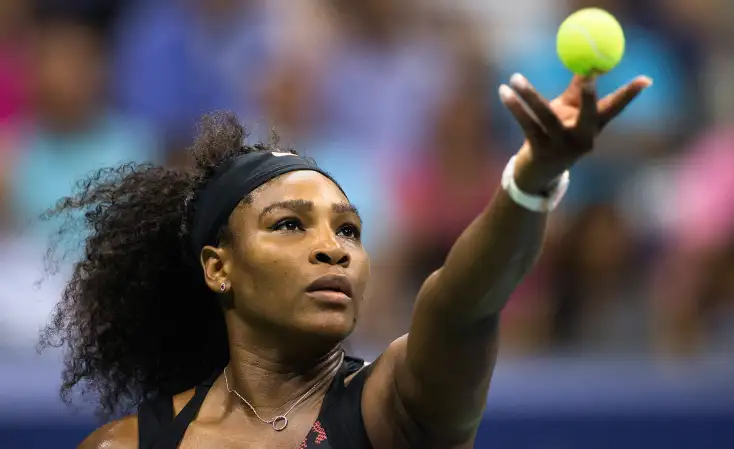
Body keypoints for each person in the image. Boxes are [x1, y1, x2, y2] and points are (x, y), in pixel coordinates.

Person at [43, 72, 650, 448]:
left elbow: (463, 305)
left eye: (351, 231)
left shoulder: (399, 407)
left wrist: (532, 179)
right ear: (218, 268)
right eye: (289, 225)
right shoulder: (127, 446)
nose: (334, 247)